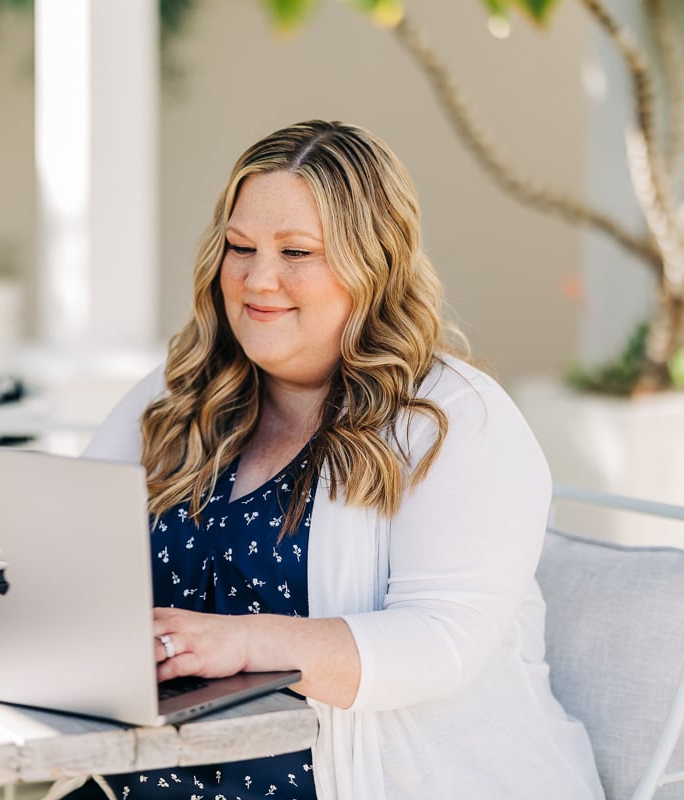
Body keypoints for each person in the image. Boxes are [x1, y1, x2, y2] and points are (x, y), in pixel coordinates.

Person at [79, 120, 603, 799]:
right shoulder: (177, 394)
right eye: (240, 247)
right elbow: (73, 545)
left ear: (373, 264)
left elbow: (439, 644)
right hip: (143, 776)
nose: (257, 278)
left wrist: (243, 643)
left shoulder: (455, 418)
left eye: (297, 251)